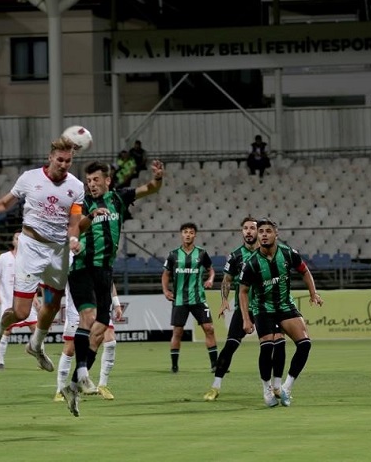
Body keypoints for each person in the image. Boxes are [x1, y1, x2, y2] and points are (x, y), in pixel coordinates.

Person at [0, 136, 84, 372]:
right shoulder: (29, 178)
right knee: (21, 312)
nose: (64, 164)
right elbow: (5, 204)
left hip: (58, 251)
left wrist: (74, 239)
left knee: (52, 305)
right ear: (50, 157)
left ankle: (35, 345)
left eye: (68, 161)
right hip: (31, 248)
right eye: (60, 160)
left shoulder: (76, 186)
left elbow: (74, 222)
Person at [60, 159, 165, 416]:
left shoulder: (118, 198)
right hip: (82, 267)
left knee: (99, 332)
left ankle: (72, 386)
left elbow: (150, 188)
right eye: (88, 181)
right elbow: (74, 228)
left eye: (96, 180)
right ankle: (82, 373)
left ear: (107, 180)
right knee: (88, 317)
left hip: (105, 271)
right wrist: (88, 219)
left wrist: (158, 178)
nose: (92, 185)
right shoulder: (82, 203)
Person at [239, 218, 323, 407]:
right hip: (263, 309)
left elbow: (305, 271)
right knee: (267, 347)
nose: (264, 235)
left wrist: (313, 293)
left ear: (276, 234)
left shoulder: (288, 253)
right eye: (261, 232)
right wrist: (246, 319)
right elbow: (243, 291)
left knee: (305, 344)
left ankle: (286, 387)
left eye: (268, 231)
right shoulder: (251, 263)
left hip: (285, 305)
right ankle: (266, 389)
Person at [203, 216, 286, 402]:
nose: (249, 231)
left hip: (267, 308)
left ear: (258, 231)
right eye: (245, 228)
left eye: (252, 228)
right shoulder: (235, 256)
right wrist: (224, 300)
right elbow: (227, 280)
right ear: (242, 232)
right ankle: (215, 386)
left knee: (277, 345)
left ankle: (277, 386)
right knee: (230, 345)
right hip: (245, 308)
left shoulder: (269, 253)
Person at [161, 222, 217, 374]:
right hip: (180, 299)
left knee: (209, 329)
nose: (188, 235)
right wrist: (165, 291)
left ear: (195, 235)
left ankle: (215, 364)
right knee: (177, 332)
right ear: (181, 234)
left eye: (191, 232)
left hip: (198, 299)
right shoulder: (173, 254)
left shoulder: (202, 253)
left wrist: (210, 279)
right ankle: (174, 366)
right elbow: (165, 274)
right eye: (185, 232)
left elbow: (211, 270)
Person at [55, 281, 123, 405]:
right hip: (77, 309)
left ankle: (102, 385)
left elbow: (109, 280)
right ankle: (60, 390)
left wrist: (116, 303)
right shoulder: (72, 268)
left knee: (110, 342)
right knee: (70, 349)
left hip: (100, 307)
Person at [0, 232, 41, 369]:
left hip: (26, 301)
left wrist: (35, 297)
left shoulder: (29, 259)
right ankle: (0, 361)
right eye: (16, 238)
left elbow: (31, 280)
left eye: (21, 238)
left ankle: (40, 358)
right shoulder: (4, 258)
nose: (19, 240)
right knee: (6, 331)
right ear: (13, 241)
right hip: (8, 302)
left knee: (36, 329)